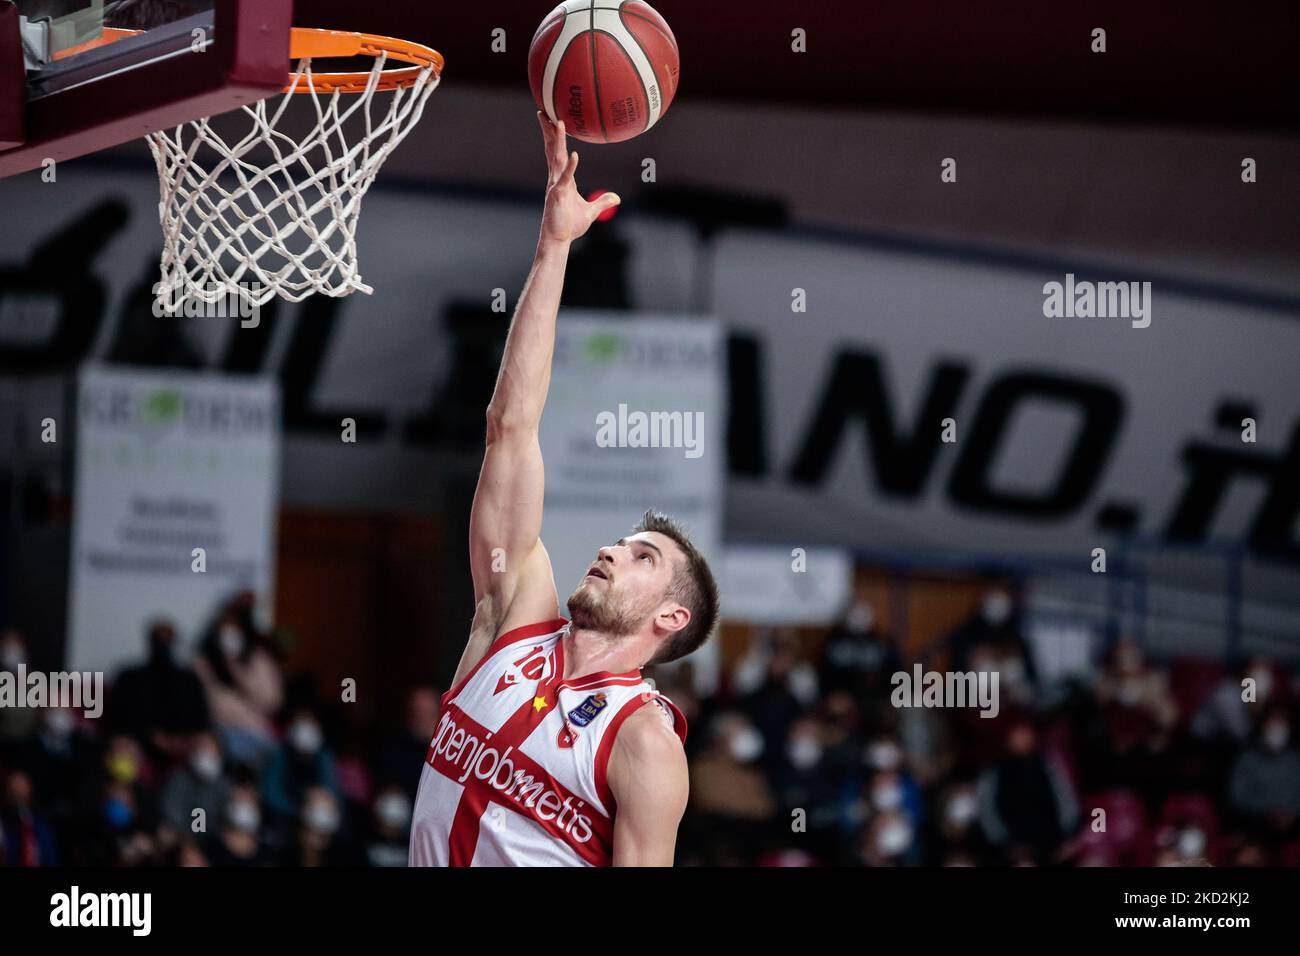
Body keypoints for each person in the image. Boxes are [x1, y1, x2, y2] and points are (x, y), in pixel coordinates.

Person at [408, 114, 720, 868]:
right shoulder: (511, 620)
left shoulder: (644, 739)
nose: (612, 550)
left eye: (643, 556)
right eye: (624, 542)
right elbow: (509, 428)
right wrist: (553, 247)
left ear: (671, 616)